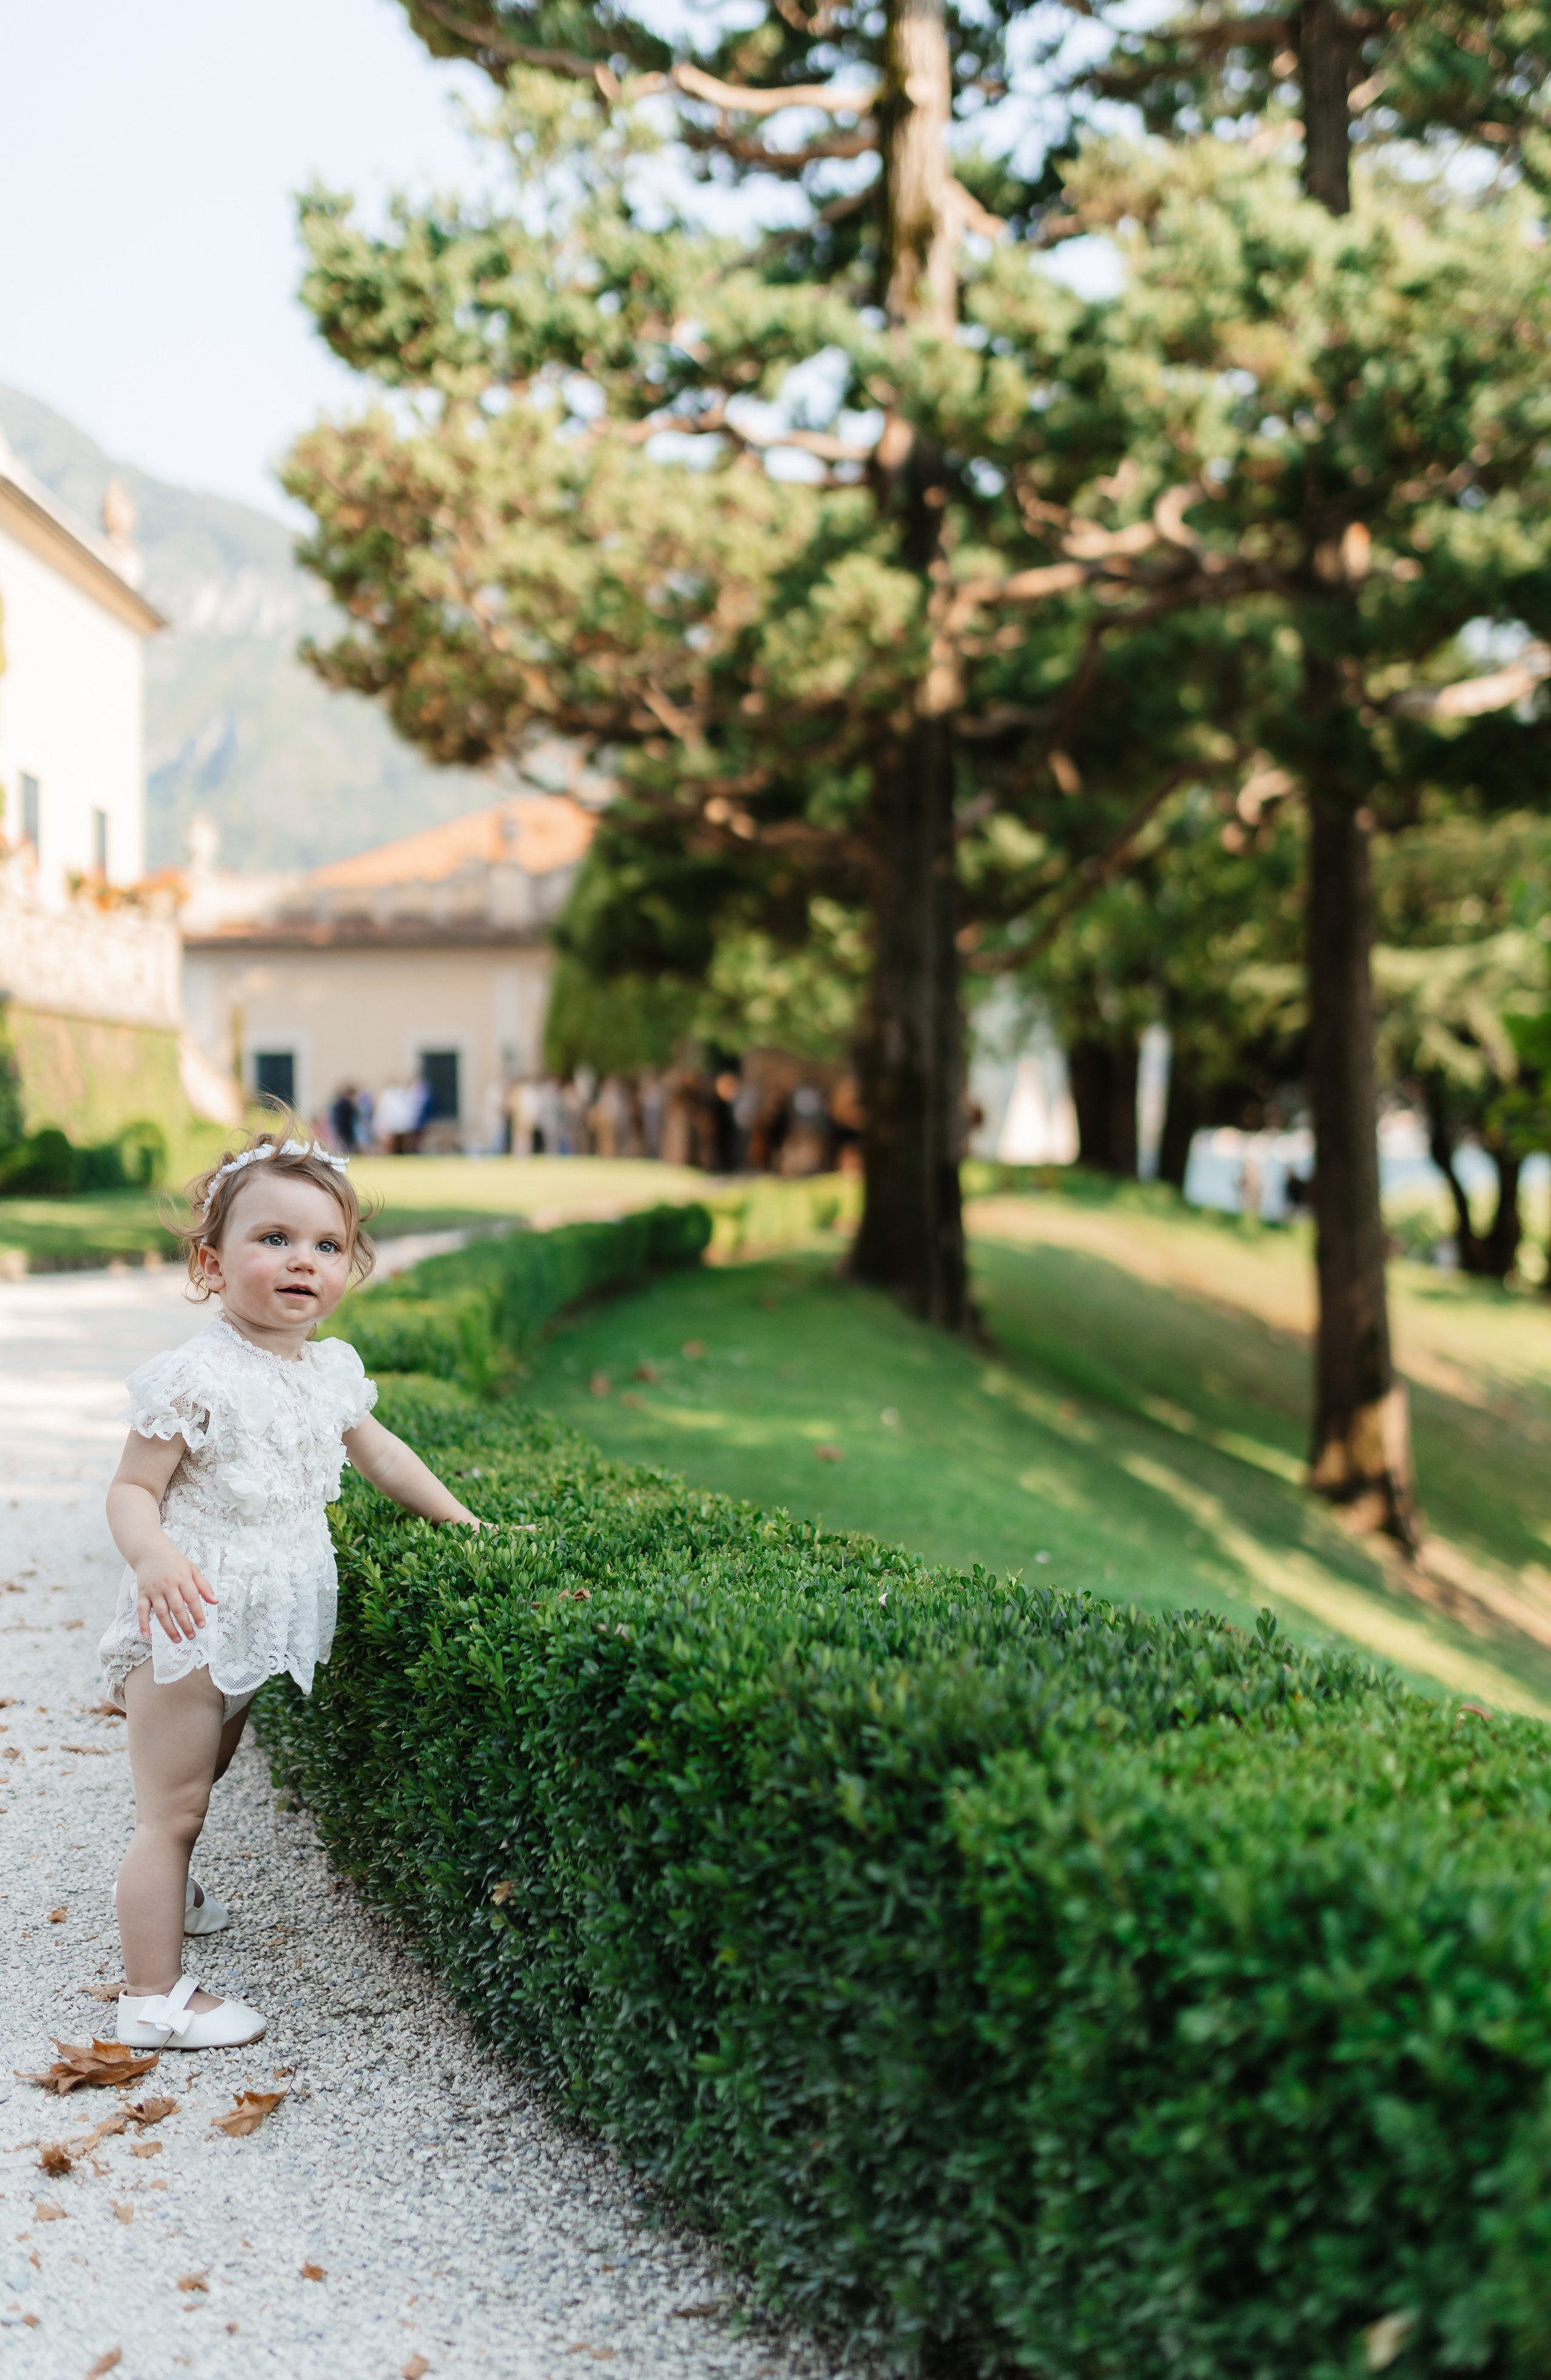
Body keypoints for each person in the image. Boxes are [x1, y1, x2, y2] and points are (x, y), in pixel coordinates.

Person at [98, 1113, 481, 2052]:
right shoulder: (198, 1376)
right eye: (273, 1238)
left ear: (352, 1265)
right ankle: (151, 1996)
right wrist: (153, 1556)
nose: (302, 1260)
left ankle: (172, 1889)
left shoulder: (329, 1371)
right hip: (188, 1614)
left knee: (211, 1769)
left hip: (255, 1622)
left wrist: (467, 1524)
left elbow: (386, 1456)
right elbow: (131, 1490)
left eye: (327, 1244)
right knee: (172, 1809)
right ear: (213, 1262)